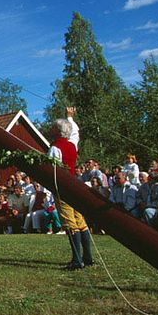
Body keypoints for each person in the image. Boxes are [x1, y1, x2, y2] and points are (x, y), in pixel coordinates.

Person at [48, 108, 93, 270]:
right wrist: (70, 117)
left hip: (63, 188)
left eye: (53, 128)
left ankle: (77, 260)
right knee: (80, 221)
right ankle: (87, 257)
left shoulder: (55, 148)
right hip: (74, 186)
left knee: (70, 223)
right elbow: (75, 134)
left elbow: (52, 171)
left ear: (58, 132)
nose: (50, 129)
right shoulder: (72, 145)